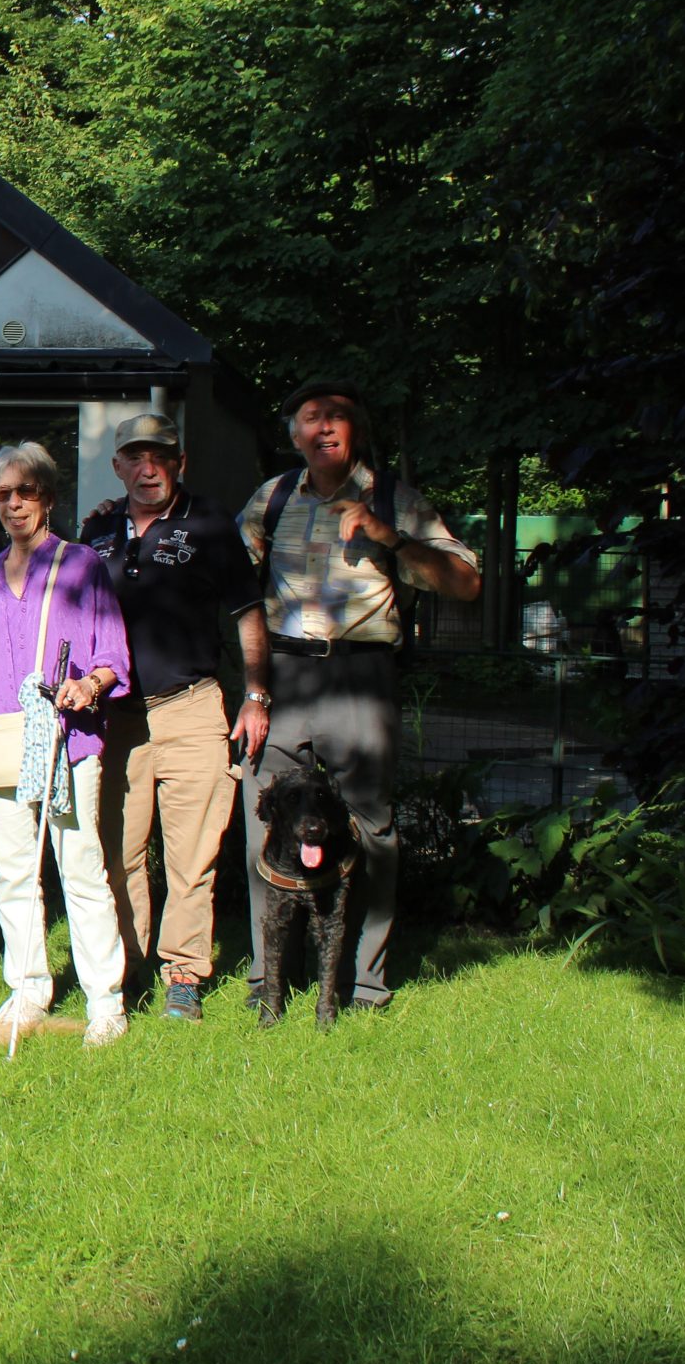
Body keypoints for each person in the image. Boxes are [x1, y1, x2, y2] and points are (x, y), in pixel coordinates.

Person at [239, 381, 479, 1013]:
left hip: (361, 677)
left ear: (357, 433)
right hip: (283, 678)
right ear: (294, 435)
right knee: (266, 823)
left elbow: (468, 584)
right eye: (310, 419)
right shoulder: (273, 497)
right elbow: (232, 585)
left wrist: (392, 538)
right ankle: (271, 984)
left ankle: (364, 985)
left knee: (371, 829)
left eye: (337, 418)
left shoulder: (395, 499)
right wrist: (254, 690)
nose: (323, 429)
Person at [77, 412, 268, 1021]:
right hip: (117, 721)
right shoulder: (99, 529)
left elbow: (247, 611)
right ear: (118, 466)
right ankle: (127, 967)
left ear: (179, 463)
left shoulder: (210, 524)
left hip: (191, 710)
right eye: (134, 456)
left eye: (159, 456)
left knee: (191, 857)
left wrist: (257, 694)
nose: (147, 467)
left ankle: (183, 975)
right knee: (119, 853)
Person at [0, 442, 133, 1046]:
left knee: (80, 870)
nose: (14, 504)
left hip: (68, 741)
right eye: (4, 494)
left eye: (25, 492)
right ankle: (29, 986)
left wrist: (88, 685)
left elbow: (112, 655)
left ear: (48, 498)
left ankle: (104, 1001)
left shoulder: (82, 565)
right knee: (13, 874)